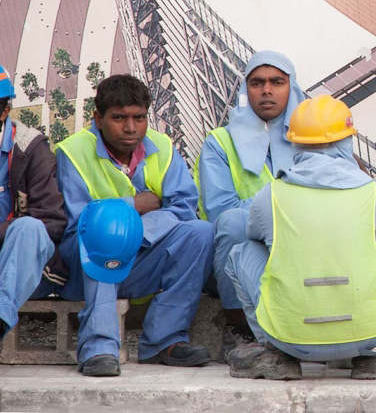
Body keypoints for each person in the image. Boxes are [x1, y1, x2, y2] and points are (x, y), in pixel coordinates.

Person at [224, 95, 376, 380]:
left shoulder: (271, 195)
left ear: (294, 143)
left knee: (244, 252)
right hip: (367, 336)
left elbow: (254, 235)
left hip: (291, 339)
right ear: (346, 142)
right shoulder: (370, 191)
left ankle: (276, 353)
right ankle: (375, 355)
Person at [56, 74, 214, 376]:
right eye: (119, 118)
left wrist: (137, 232)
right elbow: (77, 225)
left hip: (139, 259)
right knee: (106, 234)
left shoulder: (162, 146)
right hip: (83, 266)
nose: (131, 128)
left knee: (200, 232)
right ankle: (99, 348)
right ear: (98, 119)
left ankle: (165, 340)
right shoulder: (73, 152)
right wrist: (132, 206)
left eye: (139, 118)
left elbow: (183, 208)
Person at [197, 51, 305, 359]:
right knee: (232, 222)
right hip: (250, 247)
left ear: (292, 87)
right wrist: (285, 204)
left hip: (304, 241)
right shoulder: (220, 141)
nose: (266, 90)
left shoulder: (313, 137)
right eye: (257, 83)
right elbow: (221, 210)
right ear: (246, 90)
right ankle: (238, 329)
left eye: (277, 82)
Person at [0, 64, 68, 339]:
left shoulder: (30, 148)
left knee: (29, 228)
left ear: (4, 111)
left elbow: (51, 222)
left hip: (25, 266)